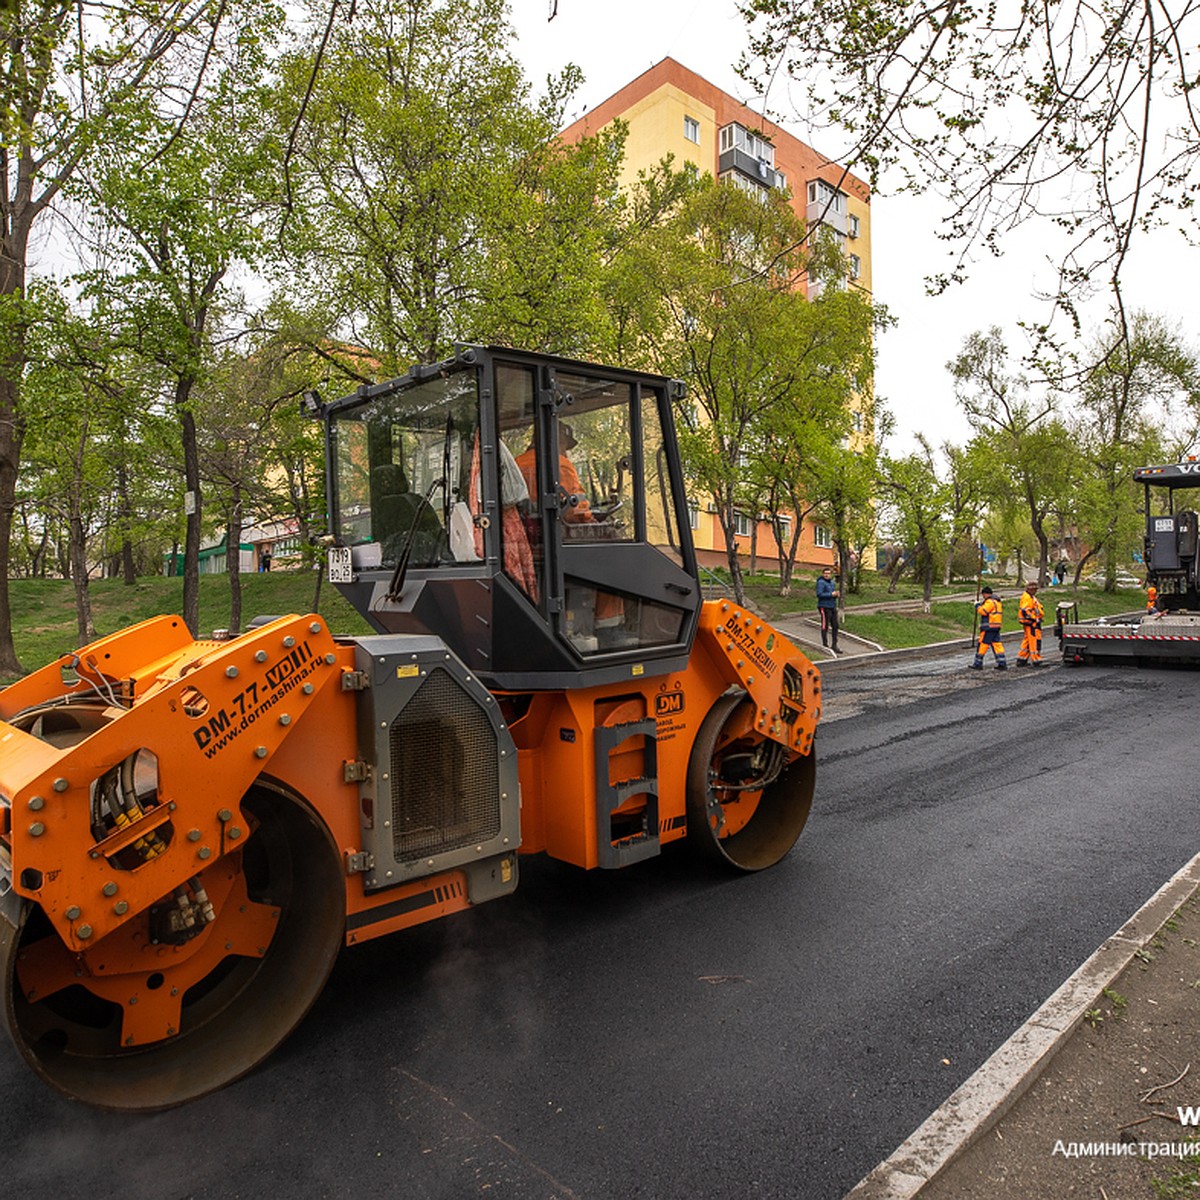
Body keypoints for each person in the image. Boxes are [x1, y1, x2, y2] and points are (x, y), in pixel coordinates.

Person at [970, 585, 1007, 670]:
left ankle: (978, 663)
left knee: (983, 644)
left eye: (983, 595)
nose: (983, 597)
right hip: (996, 626)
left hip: (989, 627)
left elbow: (983, 611)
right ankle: (1002, 662)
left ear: (986, 594)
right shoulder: (997, 602)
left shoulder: (990, 602)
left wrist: (977, 605)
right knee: (997, 644)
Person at [1016, 579, 1044, 667]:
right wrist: (1035, 618)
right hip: (1032, 623)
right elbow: (1026, 611)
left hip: (1030, 623)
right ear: (1030, 589)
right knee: (1034, 641)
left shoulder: (1030, 597)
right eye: (1035, 590)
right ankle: (1036, 659)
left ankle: (1022, 659)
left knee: (1027, 641)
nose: (1036, 591)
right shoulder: (1027, 598)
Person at [816, 567, 841, 654]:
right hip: (824, 606)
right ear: (823, 574)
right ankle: (825, 644)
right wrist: (831, 594)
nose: (827, 575)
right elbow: (819, 594)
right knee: (825, 625)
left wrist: (836, 594)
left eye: (828, 573)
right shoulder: (821, 582)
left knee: (835, 625)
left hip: (832, 606)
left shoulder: (832, 582)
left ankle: (834, 645)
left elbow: (833, 593)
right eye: (825, 573)